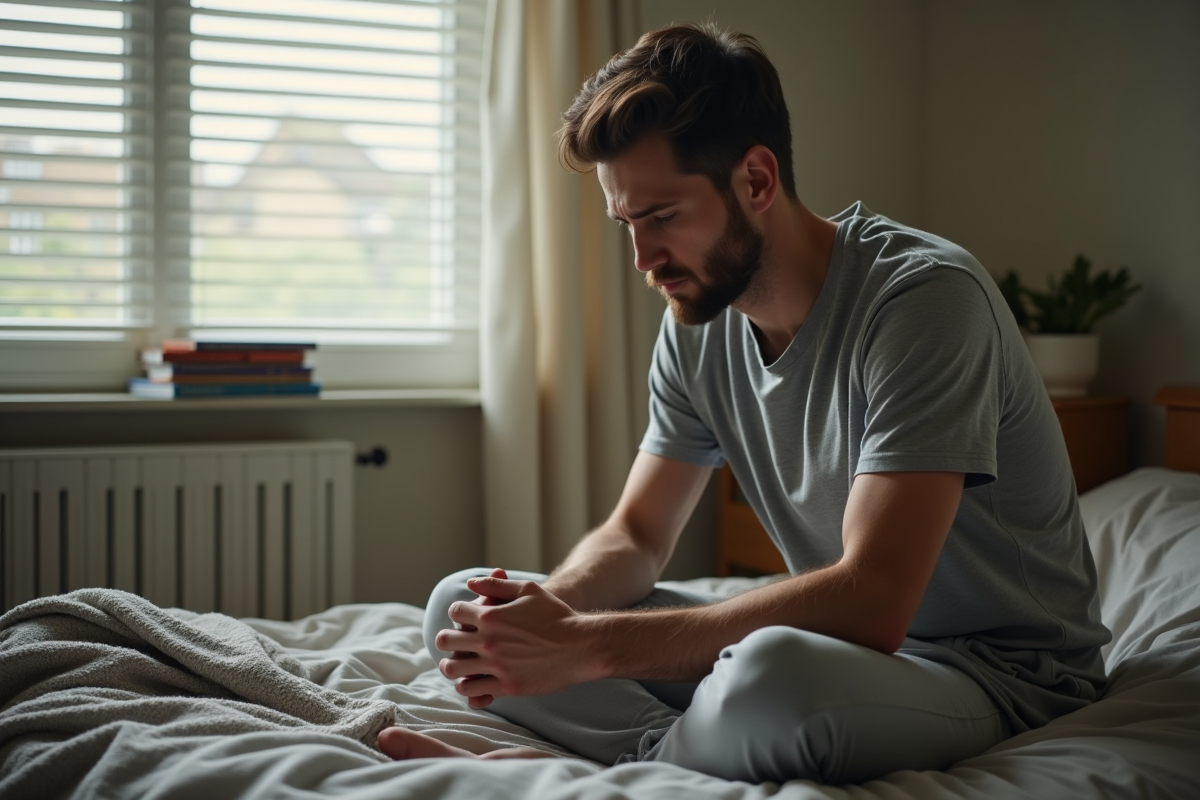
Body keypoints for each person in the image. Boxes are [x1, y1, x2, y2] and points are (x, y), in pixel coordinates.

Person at [377, 22, 1110, 784]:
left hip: (995, 675)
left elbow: (873, 600)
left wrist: (588, 648)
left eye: (661, 217)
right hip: (849, 656)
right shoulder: (695, 322)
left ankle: (575, 774)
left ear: (757, 181)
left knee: (773, 678)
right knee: (462, 610)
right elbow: (636, 535)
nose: (643, 260)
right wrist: (549, 617)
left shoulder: (923, 302)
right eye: (626, 224)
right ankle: (656, 761)